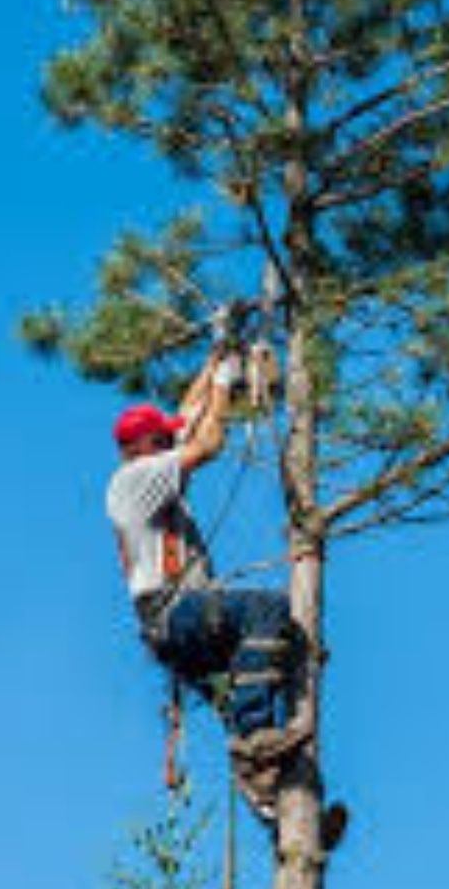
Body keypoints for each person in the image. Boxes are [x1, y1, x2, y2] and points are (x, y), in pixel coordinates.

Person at [105, 350, 309, 824]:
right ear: (145, 446)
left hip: (171, 626)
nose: (170, 440)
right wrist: (223, 384)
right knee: (266, 611)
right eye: (162, 438)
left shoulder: (145, 474)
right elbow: (206, 442)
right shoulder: (137, 477)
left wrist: (217, 354)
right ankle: (256, 743)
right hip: (174, 614)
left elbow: (187, 414)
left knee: (264, 669)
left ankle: (275, 808)